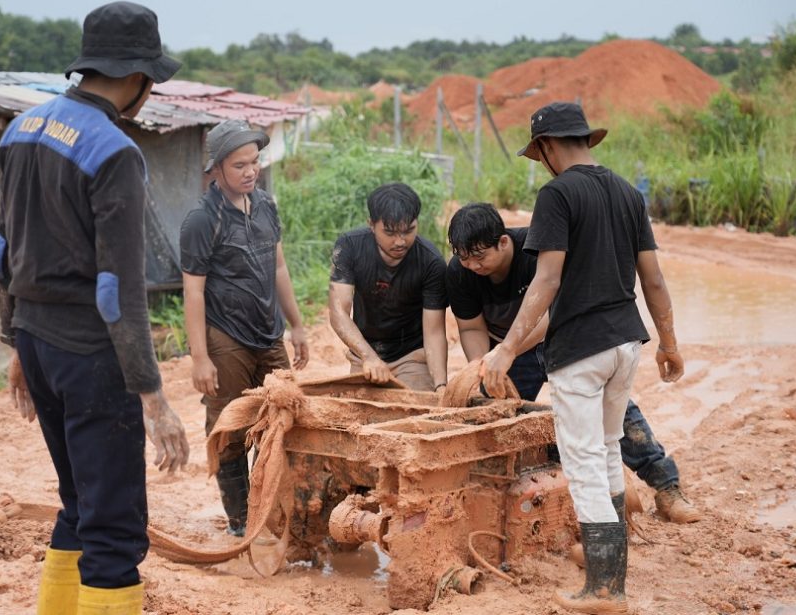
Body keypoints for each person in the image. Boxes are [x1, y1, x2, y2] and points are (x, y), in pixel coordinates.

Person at [0, 1, 189, 615]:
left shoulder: (19, 130)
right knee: (114, 530)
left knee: (78, 505)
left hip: (35, 341)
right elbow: (119, 292)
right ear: (137, 78)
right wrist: (154, 399)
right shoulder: (115, 153)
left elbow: (3, 253)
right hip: (90, 358)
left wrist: (14, 344)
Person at [478, 102, 685, 614]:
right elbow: (653, 279)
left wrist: (505, 349)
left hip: (580, 351)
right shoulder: (626, 192)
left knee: (584, 461)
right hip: (624, 345)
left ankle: (604, 590)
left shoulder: (557, 194)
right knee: (610, 448)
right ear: (583, 139)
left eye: (538, 153)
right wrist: (670, 343)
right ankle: (613, 569)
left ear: (547, 147)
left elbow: (547, 280)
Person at [446, 202, 700, 524]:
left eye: (480, 257)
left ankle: (666, 488)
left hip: (564, 341)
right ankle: (509, 497)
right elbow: (471, 328)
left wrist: (506, 351)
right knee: (493, 414)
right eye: (464, 258)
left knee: (614, 411)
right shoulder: (460, 272)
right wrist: (481, 367)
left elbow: (550, 316)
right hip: (509, 354)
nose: (472, 265)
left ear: (504, 242)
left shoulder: (536, 252)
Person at [179, 119, 309, 537]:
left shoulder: (266, 204)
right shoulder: (202, 220)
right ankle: (239, 521)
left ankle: (273, 512)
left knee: (284, 418)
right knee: (230, 428)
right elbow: (193, 293)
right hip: (226, 337)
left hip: (268, 333)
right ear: (216, 169)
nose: (250, 171)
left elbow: (280, 267)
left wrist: (299, 325)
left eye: (254, 162)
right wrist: (200, 358)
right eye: (239, 165)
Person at [328, 183, 448, 391]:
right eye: (390, 233)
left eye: (409, 230)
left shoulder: (431, 261)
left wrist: (440, 385)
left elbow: (435, 332)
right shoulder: (349, 247)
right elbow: (339, 312)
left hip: (412, 357)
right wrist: (369, 357)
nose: (400, 241)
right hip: (364, 353)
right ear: (371, 225)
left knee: (415, 416)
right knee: (358, 416)